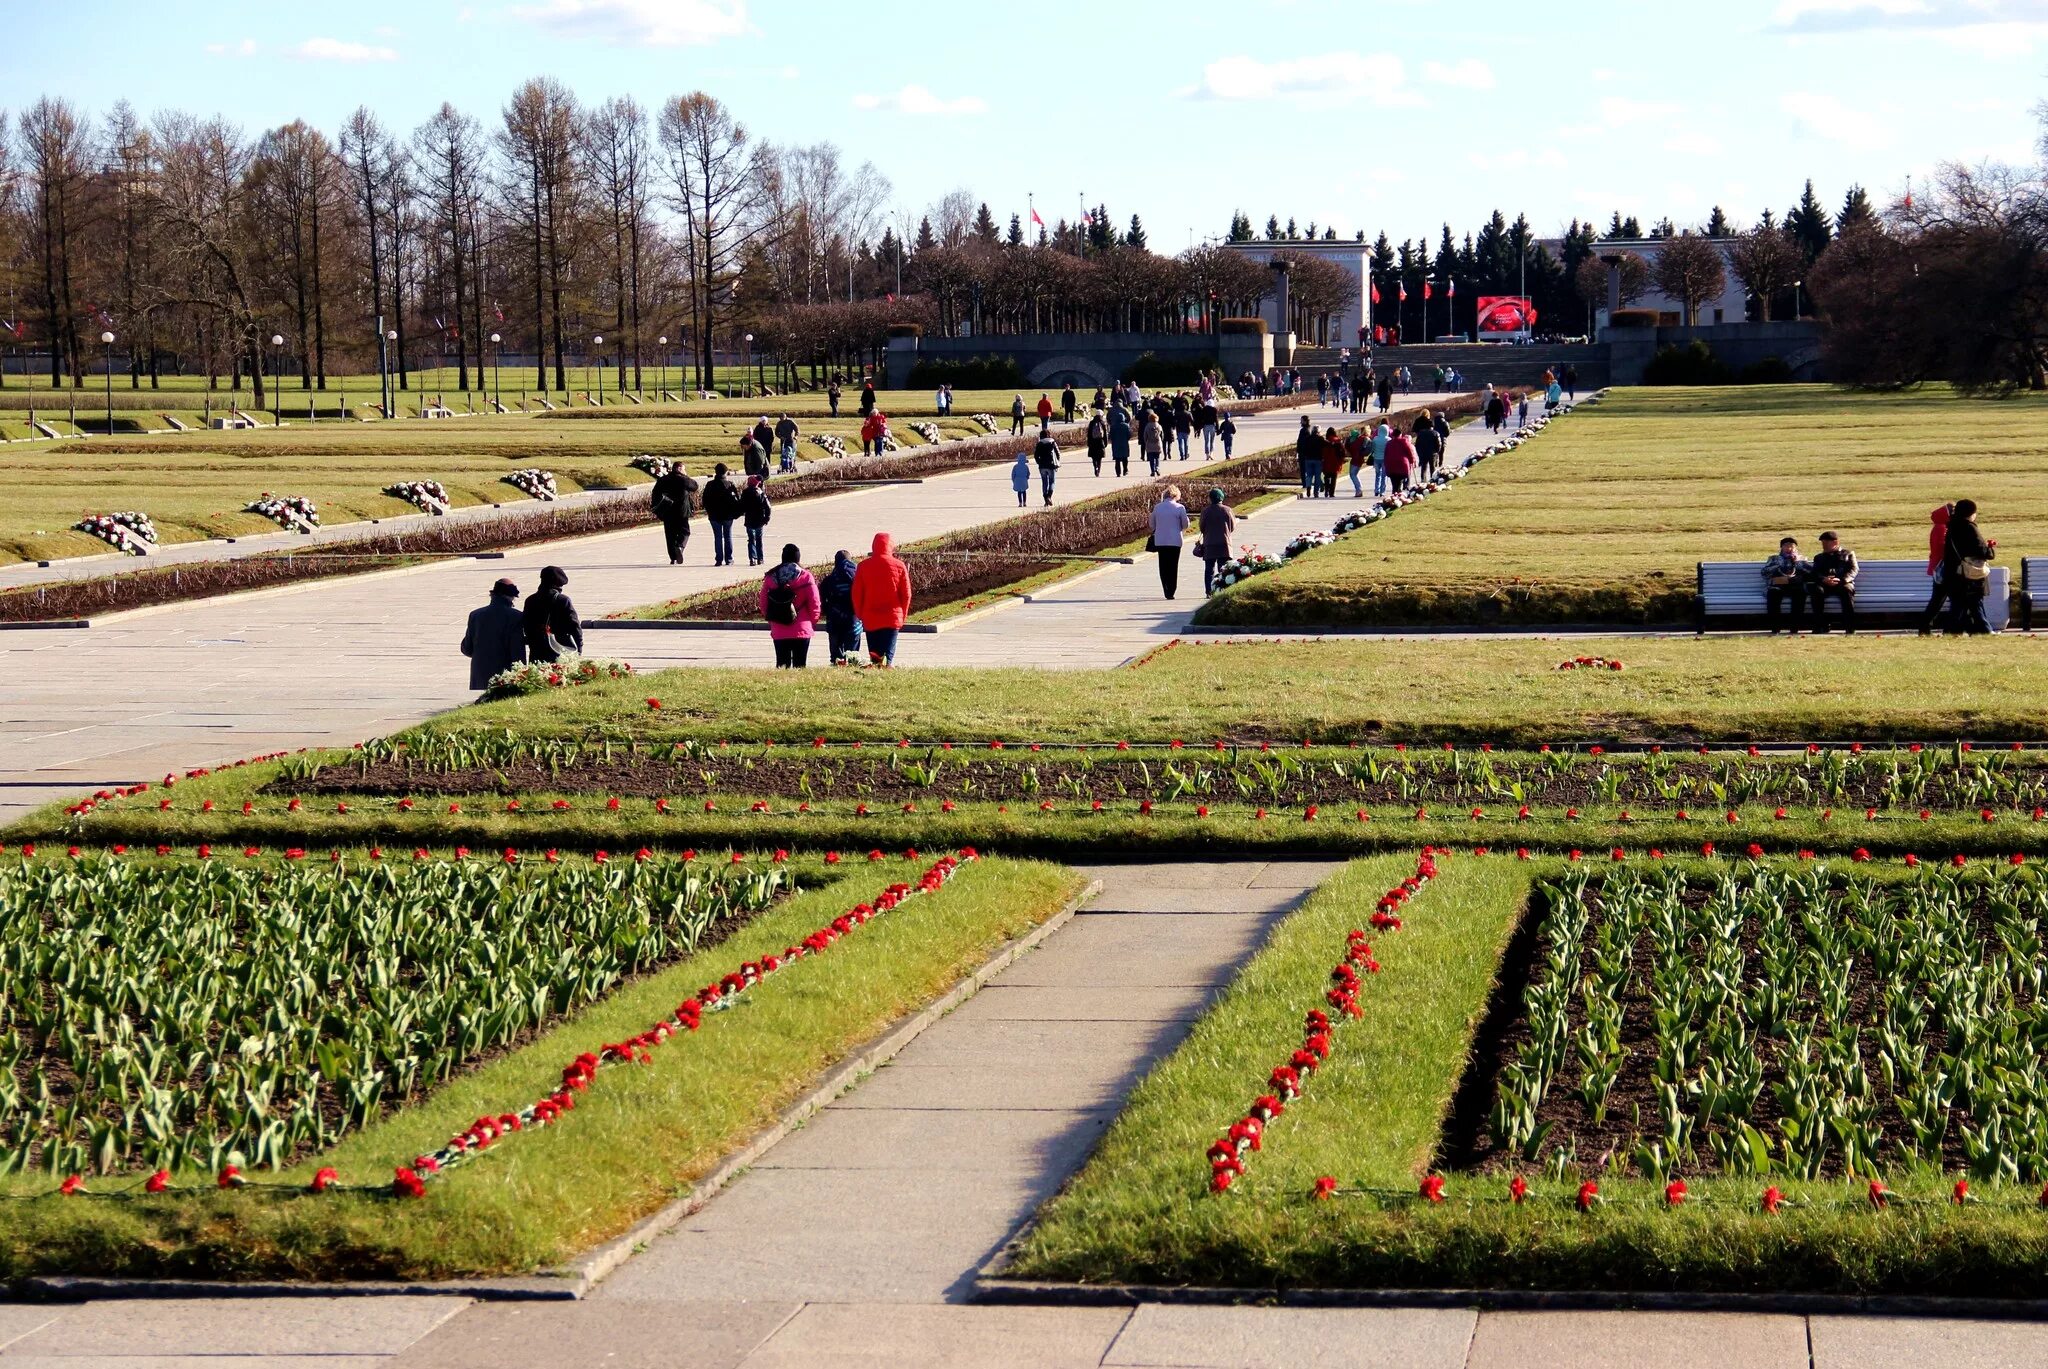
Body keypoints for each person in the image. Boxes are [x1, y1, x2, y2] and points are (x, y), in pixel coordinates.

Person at [851, 531, 912, 665]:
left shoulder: (863, 566)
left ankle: (875, 679)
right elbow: (906, 594)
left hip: (870, 617)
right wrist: (903, 615)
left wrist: (860, 614)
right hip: (892, 618)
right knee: (887, 658)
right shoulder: (899, 566)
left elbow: (856, 593)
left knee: (875, 657)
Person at [760, 542, 821, 668]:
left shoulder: (771, 577)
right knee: (800, 665)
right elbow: (814, 601)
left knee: (782, 665)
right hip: (802, 627)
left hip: (779, 627)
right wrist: (813, 620)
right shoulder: (806, 576)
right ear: (798, 558)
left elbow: (763, 602)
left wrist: (771, 619)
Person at [460, 578, 527, 692]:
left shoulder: (475, 615)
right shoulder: (516, 616)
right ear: (511, 597)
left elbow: (467, 648)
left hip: (479, 673)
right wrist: (522, 674)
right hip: (505, 674)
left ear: (493, 595)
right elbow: (517, 651)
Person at [1942, 498, 1996, 635]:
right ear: (1971, 513)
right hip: (1968, 572)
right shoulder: (1969, 527)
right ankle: (1984, 630)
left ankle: (1955, 631)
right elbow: (1981, 550)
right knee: (1974, 600)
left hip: (1953, 571)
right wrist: (1990, 549)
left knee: (1959, 603)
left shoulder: (1951, 526)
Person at [522, 565, 582, 663]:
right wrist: (578, 649)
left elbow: (526, 626)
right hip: (561, 651)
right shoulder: (563, 600)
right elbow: (575, 627)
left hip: (537, 651)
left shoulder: (530, 600)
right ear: (559, 583)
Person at [1808, 530, 1859, 633]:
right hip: (1825, 584)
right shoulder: (1819, 557)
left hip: (1842, 583)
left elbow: (1853, 570)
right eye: (1822, 543)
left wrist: (1843, 580)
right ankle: (1819, 625)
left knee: (1847, 591)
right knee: (1816, 590)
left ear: (1835, 542)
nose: (1824, 546)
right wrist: (1823, 579)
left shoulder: (1848, 554)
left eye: (1826, 543)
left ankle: (1850, 626)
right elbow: (1815, 573)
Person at [820, 549, 864, 664]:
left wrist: (827, 612)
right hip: (854, 621)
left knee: (836, 658)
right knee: (853, 657)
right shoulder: (857, 579)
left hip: (834, 621)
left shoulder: (829, 580)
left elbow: (821, 600)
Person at [651, 463, 701, 564]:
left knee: (670, 535)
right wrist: (685, 475)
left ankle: (673, 557)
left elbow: (655, 493)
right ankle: (680, 546)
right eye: (683, 469)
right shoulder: (683, 480)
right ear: (679, 469)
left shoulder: (663, 479)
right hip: (681, 511)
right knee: (685, 531)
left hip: (667, 511)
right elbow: (695, 486)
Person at [1151, 484, 1191, 600]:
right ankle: (1172, 591)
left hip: (1161, 541)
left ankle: (1166, 589)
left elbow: (1152, 524)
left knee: (1163, 566)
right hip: (1175, 541)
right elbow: (1185, 524)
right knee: (1173, 566)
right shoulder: (1180, 508)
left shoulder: (1157, 507)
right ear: (1175, 495)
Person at [1762, 537, 1809, 633]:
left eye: (1792, 546)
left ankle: (1794, 627)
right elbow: (1764, 573)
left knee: (1800, 593)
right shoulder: (1774, 558)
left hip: (1794, 585)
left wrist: (1797, 564)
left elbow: (1810, 573)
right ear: (1781, 548)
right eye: (1786, 546)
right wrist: (1777, 565)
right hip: (1778, 585)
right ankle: (1775, 627)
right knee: (1773, 593)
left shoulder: (1802, 559)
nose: (1789, 548)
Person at [1919, 503, 1954, 635]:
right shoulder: (1942, 528)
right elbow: (1942, 548)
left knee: (1938, 600)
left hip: (1939, 568)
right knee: (1940, 600)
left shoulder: (1939, 526)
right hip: (1943, 569)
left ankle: (1926, 626)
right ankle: (1927, 626)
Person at [1197, 488, 1236, 594]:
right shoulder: (1227, 510)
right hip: (1224, 543)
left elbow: (1201, 527)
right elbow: (1232, 526)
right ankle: (1222, 589)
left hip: (1209, 543)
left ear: (1210, 498)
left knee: (1209, 569)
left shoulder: (1206, 511)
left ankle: (1209, 591)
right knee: (1223, 569)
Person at [701, 462, 741, 566]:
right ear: (726, 472)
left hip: (714, 515)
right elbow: (736, 500)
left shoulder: (710, 485)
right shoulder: (730, 484)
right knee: (728, 536)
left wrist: (709, 511)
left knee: (717, 537)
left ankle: (719, 559)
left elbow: (705, 500)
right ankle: (729, 558)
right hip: (728, 515)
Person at [740, 474, 772, 567]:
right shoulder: (761, 493)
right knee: (759, 539)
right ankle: (760, 558)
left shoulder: (745, 493)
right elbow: (768, 507)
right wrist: (767, 518)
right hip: (759, 520)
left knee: (751, 540)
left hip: (749, 520)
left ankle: (752, 558)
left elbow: (741, 506)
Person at [1034, 423, 1061, 505]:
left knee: (1044, 482)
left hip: (1042, 466)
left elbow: (1036, 455)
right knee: (1052, 482)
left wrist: (1039, 462)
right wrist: (1057, 461)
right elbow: (1058, 453)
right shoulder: (1052, 442)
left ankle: (1046, 498)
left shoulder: (1039, 444)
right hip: (1051, 465)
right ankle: (1049, 497)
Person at [1383, 426, 1416, 493]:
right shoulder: (1404, 442)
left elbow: (1385, 454)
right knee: (1399, 483)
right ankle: (1397, 496)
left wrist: (1385, 464)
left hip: (1391, 465)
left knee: (1394, 483)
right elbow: (1409, 452)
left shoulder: (1389, 443)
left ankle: (1395, 494)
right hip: (1402, 465)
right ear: (1400, 434)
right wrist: (1412, 461)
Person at [1413, 411, 1444, 484]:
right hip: (1432, 453)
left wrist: (1419, 452)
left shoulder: (1420, 433)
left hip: (1423, 452)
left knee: (1423, 467)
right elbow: (1439, 444)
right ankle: (1433, 480)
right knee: (1432, 467)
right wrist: (1436, 452)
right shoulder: (1435, 433)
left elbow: (1417, 444)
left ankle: (1423, 480)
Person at [1294, 415, 1320, 498]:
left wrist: (1300, 451)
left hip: (1304, 454)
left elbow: (1303, 443)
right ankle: (1306, 485)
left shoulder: (1305, 431)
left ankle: (1306, 485)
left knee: (1305, 471)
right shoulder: (1306, 430)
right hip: (1304, 453)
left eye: (1301, 420)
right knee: (1307, 472)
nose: (1300, 422)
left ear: (1305, 421)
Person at [1320, 426, 1345, 498]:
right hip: (1336, 462)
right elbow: (1343, 452)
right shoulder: (1338, 441)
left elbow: (1322, 451)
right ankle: (1332, 493)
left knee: (1327, 476)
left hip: (1327, 461)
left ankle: (1326, 490)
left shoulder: (1325, 441)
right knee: (1334, 478)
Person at [1139, 407, 1165, 476]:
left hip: (1150, 444)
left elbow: (1145, 436)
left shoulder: (1147, 426)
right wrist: (1160, 441)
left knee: (1151, 459)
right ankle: (1157, 468)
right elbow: (1162, 435)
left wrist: (1146, 442)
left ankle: (1152, 470)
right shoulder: (1159, 426)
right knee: (1157, 458)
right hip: (1157, 444)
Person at [1109, 401, 1133, 475]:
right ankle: (1125, 469)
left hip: (1116, 444)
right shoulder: (1126, 426)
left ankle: (1118, 472)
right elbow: (1129, 435)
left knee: (1117, 460)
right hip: (1124, 444)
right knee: (1125, 458)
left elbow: (1111, 436)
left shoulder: (1113, 426)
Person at [1345, 428, 1368, 498]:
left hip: (1355, 459)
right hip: (1360, 459)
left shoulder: (1353, 441)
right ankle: (1359, 489)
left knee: (1352, 474)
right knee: (1355, 474)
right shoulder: (1362, 439)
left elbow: (1348, 448)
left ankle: (1359, 490)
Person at [1371, 420, 1392, 497]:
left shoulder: (1375, 439)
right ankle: (1382, 491)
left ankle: (1376, 490)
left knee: (1377, 475)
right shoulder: (1389, 439)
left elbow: (1372, 449)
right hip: (1384, 459)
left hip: (1376, 459)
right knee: (1384, 475)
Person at [1086, 410, 1108, 475]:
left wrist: (1089, 442)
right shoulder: (1102, 422)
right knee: (1099, 457)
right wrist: (1105, 442)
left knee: (1094, 456)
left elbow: (1089, 433)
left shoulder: (1092, 422)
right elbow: (1105, 434)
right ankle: (1098, 470)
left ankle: (1095, 467)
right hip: (1100, 441)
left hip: (1093, 441)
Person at [1171, 393, 1193, 460]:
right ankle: (1186, 455)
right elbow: (1192, 421)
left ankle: (1182, 455)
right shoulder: (1188, 413)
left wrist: (1174, 427)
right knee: (1186, 443)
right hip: (1186, 429)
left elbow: (1174, 421)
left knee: (1180, 443)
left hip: (1179, 429)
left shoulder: (1177, 414)